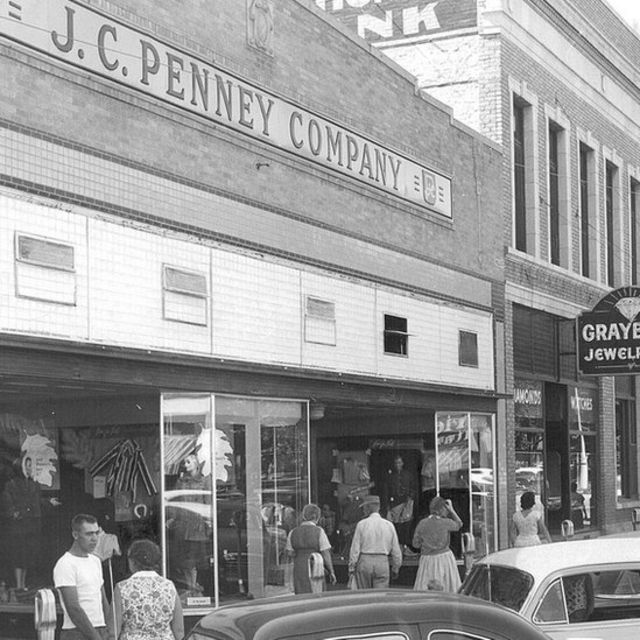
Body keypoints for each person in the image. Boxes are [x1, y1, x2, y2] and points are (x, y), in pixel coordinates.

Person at [1, 455, 60, 590]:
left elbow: (37, 501)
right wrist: (16, 513)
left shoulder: (33, 484)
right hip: (18, 527)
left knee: (27, 556)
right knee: (18, 555)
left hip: (31, 526)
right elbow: (6, 503)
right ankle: (18, 585)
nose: (29, 468)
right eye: (27, 465)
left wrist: (49, 502)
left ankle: (23, 584)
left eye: (30, 465)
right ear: (20, 467)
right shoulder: (11, 485)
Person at [110, 539, 183, 640]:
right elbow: (179, 630)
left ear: (132, 561)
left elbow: (113, 630)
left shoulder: (122, 588)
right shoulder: (169, 586)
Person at [53, 514, 109, 640]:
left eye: (96, 533)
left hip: (100, 629)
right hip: (75, 632)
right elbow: (73, 607)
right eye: (89, 534)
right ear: (75, 535)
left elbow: (102, 599)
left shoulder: (95, 561)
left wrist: (109, 631)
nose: (95, 538)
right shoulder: (65, 563)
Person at [167, 453, 211, 595]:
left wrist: (209, 522)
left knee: (194, 558)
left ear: (196, 463)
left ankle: (193, 587)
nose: (186, 465)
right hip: (183, 525)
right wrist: (172, 518)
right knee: (183, 558)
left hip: (197, 525)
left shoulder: (204, 481)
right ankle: (191, 586)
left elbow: (208, 503)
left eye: (188, 462)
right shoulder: (181, 482)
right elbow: (174, 501)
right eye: (184, 462)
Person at [348, 494, 402, 589]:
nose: (363, 510)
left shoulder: (362, 524)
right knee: (380, 596)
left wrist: (351, 567)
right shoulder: (389, 525)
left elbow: (355, 549)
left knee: (364, 595)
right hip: (382, 561)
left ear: (368, 507)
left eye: (364, 507)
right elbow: (396, 550)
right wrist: (396, 567)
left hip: (365, 561)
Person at [412, 496, 462, 593]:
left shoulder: (422, 523)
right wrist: (452, 510)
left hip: (427, 559)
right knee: (449, 588)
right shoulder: (446, 523)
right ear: (441, 509)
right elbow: (459, 524)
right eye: (445, 509)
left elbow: (415, 544)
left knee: (425, 589)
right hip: (444, 559)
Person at [285, 503, 336, 593]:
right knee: (316, 589)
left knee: (301, 590)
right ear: (317, 516)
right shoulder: (319, 531)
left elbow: (289, 553)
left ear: (304, 516)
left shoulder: (293, 532)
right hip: (315, 563)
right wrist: (331, 571)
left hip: (299, 565)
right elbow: (325, 553)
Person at [384, 455, 417, 548]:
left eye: (399, 462)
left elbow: (413, 488)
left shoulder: (408, 475)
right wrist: (387, 505)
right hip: (394, 504)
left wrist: (410, 499)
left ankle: (406, 546)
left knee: (406, 524)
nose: (397, 465)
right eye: (396, 463)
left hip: (407, 502)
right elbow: (386, 491)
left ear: (402, 463)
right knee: (395, 525)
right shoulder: (390, 476)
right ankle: (396, 546)